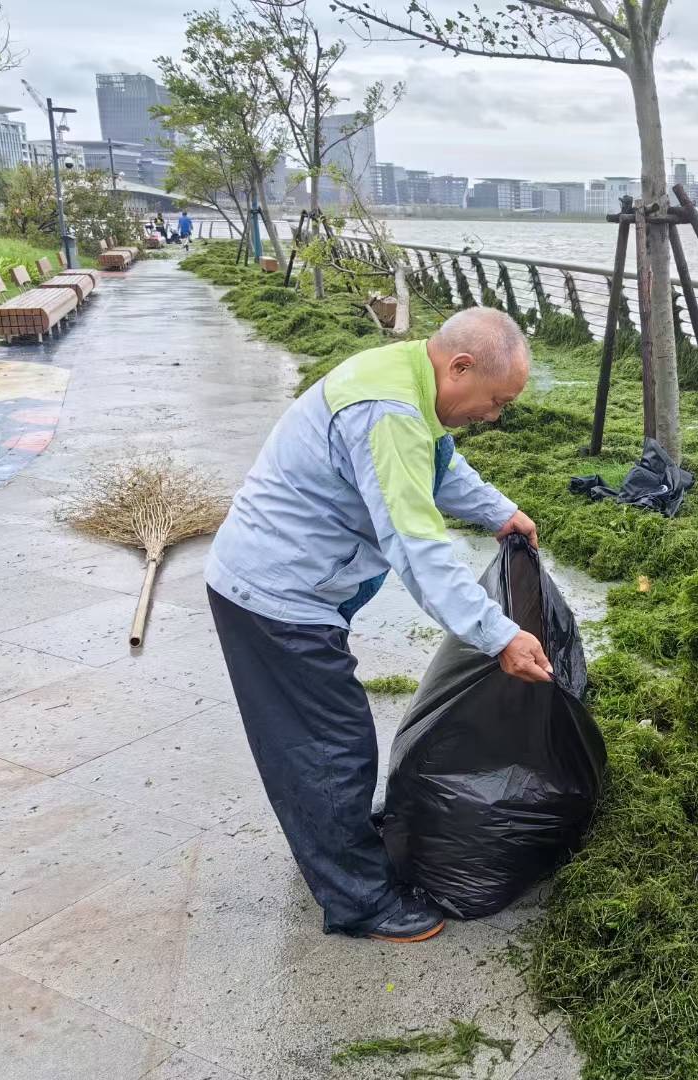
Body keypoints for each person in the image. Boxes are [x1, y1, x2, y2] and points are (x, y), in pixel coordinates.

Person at [205, 308, 553, 943]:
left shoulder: (409, 381)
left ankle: (333, 840)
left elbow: (440, 468)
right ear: (461, 367)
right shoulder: (387, 412)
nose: (495, 415)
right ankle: (359, 901)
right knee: (327, 742)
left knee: (323, 737)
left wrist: (499, 513)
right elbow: (417, 545)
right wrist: (497, 634)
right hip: (274, 595)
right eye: (496, 401)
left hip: (300, 584)